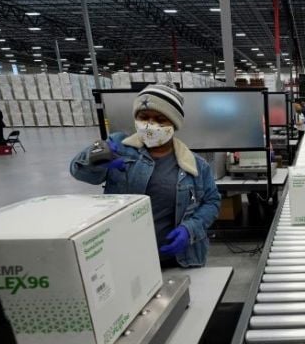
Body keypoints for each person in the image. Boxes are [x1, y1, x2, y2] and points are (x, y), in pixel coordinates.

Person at [70, 83, 221, 268]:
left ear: (173, 123)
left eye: (160, 119)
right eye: (144, 117)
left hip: (176, 259)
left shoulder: (194, 165)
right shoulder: (118, 147)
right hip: (124, 256)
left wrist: (190, 229)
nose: (150, 125)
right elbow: (78, 171)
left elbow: (212, 202)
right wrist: (95, 160)